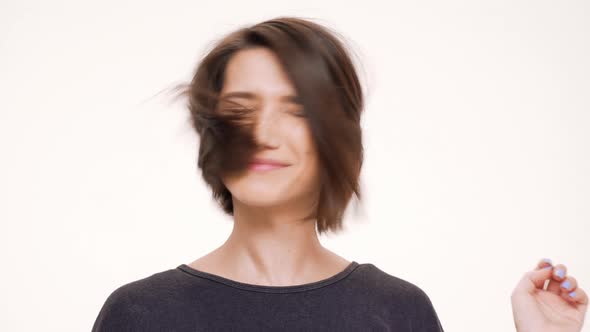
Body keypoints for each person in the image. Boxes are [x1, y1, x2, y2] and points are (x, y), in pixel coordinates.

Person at [91, 16, 587, 331]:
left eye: (297, 110)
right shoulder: (140, 315)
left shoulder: (398, 311)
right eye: (240, 109)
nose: (263, 132)